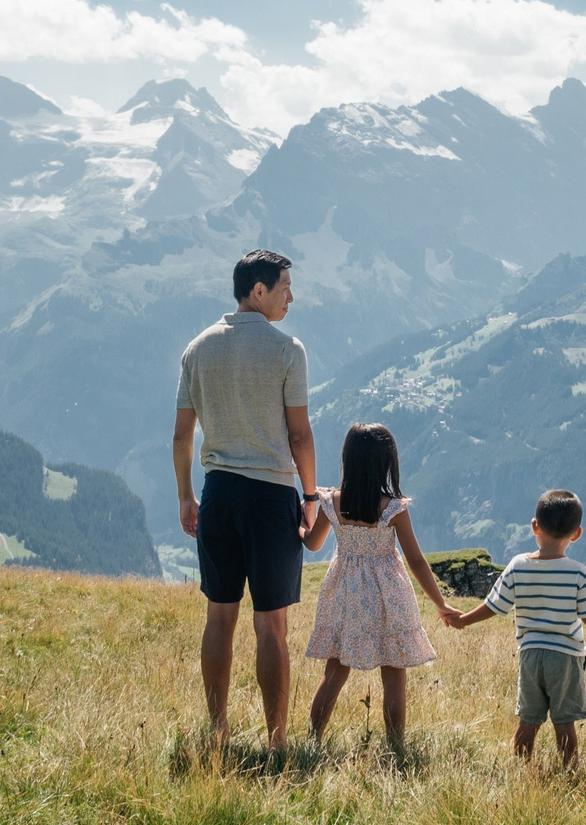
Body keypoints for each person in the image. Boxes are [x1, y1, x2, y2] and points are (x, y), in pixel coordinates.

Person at [174, 249, 319, 752]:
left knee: (219, 617)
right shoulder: (287, 350)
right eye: (284, 287)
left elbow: (182, 435)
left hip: (218, 492)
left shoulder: (197, 349)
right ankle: (277, 740)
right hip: (271, 496)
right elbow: (300, 435)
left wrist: (186, 497)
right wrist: (310, 496)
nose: (291, 297)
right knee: (271, 625)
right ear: (258, 290)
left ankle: (218, 731)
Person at [303, 424, 457, 750]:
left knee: (335, 670)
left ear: (347, 459)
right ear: (387, 463)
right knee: (394, 673)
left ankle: (312, 740)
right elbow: (416, 562)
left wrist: (301, 525)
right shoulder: (393, 508)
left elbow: (313, 544)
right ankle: (395, 744)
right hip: (389, 597)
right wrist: (440, 603)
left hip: (346, 594)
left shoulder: (331, 503)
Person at [445, 489, 586, 767]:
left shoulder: (518, 565)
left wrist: (464, 619)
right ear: (577, 534)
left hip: (529, 655)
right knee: (564, 723)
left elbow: (494, 605)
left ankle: (520, 767)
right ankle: (569, 771)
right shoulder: (579, 572)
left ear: (534, 526)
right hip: (565, 657)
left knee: (528, 720)